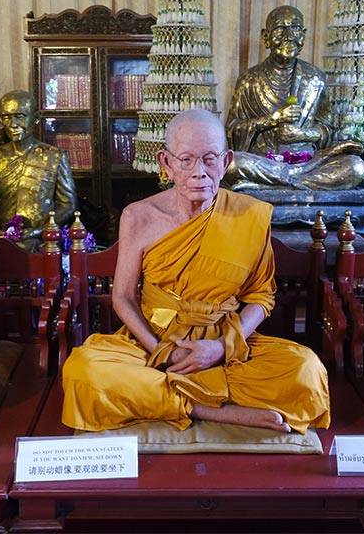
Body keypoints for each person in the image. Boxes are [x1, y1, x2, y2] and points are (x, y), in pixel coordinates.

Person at [62, 108, 330, 434]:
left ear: (227, 160)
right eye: (186, 159)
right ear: (166, 162)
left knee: (307, 372)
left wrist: (220, 347)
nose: (199, 172)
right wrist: (163, 350)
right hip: (154, 342)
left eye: (210, 158)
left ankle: (163, 398)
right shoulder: (139, 216)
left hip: (224, 343)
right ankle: (212, 410)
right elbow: (122, 296)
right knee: (84, 371)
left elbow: (261, 296)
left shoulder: (249, 215)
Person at [225, 5, 364, 191]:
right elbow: (233, 129)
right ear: (266, 37)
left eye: (296, 29)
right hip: (265, 161)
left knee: (355, 167)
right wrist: (272, 120)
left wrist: (303, 134)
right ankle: (296, 182)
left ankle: (272, 185)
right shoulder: (249, 79)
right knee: (232, 163)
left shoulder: (315, 78)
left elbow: (327, 130)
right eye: (280, 29)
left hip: (307, 160)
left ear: (304, 35)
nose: (289, 36)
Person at [0, 90, 76, 251]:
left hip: (42, 238)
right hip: (6, 240)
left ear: (36, 118)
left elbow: (68, 206)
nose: (13, 125)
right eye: (6, 117)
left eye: (20, 116)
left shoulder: (54, 157)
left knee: (37, 248)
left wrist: (37, 231)